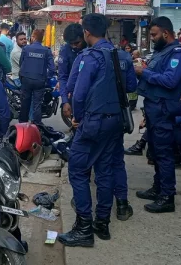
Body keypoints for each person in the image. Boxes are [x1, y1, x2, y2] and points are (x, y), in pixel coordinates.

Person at [58, 14, 137, 247]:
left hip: (93, 122)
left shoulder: (89, 57)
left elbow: (79, 94)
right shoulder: (122, 55)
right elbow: (132, 87)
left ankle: (83, 228)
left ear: (87, 33)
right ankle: (102, 222)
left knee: (78, 170)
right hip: (116, 123)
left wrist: (77, 119)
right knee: (105, 171)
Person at [135, 16, 181, 214]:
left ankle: (167, 197)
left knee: (164, 153)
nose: (151, 38)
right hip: (153, 108)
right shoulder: (162, 52)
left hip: (163, 109)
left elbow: (170, 81)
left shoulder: (178, 54)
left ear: (165, 33)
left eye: (154, 34)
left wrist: (144, 73)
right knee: (156, 152)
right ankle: (158, 188)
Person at [19, 29, 55, 124]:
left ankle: (22, 126)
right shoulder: (46, 51)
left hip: (26, 80)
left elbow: (21, 64)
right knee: (37, 105)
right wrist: (46, 79)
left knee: (25, 104)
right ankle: (37, 127)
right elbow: (52, 69)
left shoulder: (26, 49)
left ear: (33, 37)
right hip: (39, 81)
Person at [58, 23, 87, 122]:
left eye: (77, 43)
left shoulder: (91, 48)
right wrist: (65, 101)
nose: (74, 46)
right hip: (74, 96)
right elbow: (62, 77)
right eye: (71, 44)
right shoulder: (65, 50)